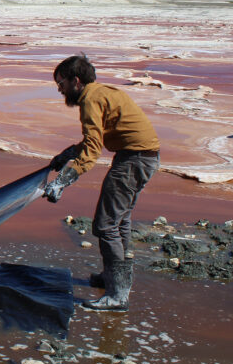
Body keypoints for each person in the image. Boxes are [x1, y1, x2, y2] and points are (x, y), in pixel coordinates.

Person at [44, 54, 160, 311]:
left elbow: (93, 151)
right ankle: (114, 279)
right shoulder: (101, 93)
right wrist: (67, 154)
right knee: (120, 221)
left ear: (76, 81)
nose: (59, 88)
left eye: (61, 82)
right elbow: (91, 142)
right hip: (141, 157)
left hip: (134, 161)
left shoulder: (91, 99)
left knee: (106, 225)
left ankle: (118, 295)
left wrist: (62, 181)